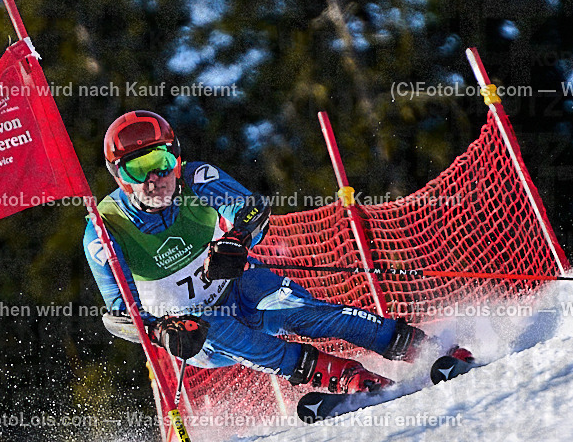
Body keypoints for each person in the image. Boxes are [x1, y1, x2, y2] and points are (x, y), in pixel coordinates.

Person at [82, 110, 428, 394]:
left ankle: (420, 346)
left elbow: (251, 209)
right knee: (217, 325)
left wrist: (239, 239)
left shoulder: (196, 178)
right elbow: (118, 315)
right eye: (136, 169)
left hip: (239, 289)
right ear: (119, 177)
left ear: (176, 157)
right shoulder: (105, 230)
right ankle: (344, 376)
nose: (152, 179)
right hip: (195, 329)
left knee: (300, 310)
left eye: (159, 161)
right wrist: (161, 332)